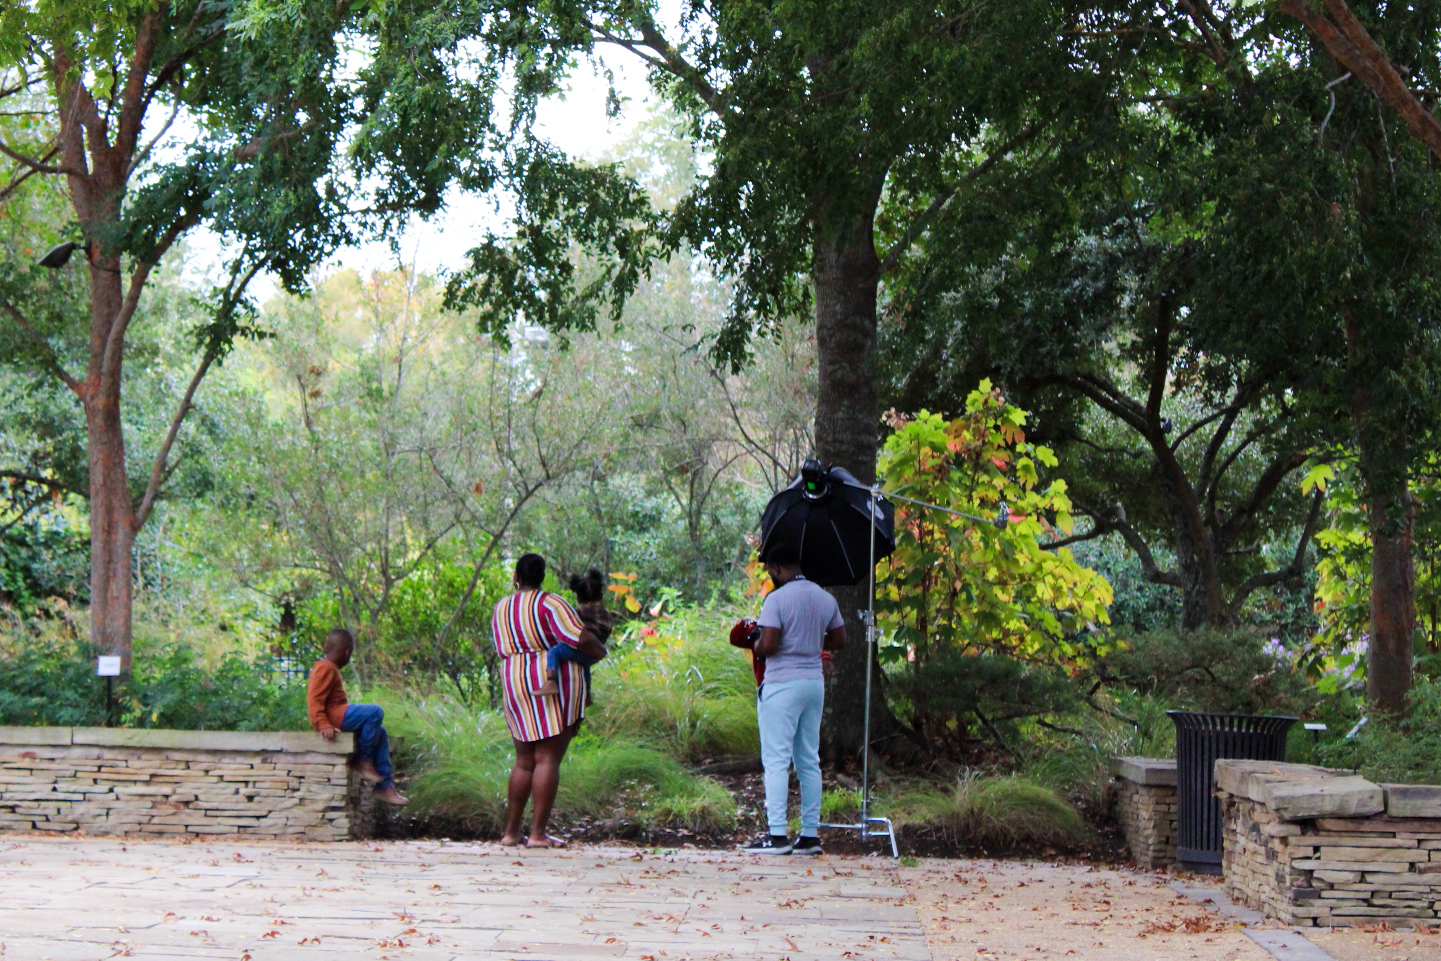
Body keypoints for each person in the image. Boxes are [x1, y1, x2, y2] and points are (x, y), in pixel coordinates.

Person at [492, 553, 607, 847]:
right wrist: (600, 650)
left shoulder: (501, 608)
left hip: (515, 680)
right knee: (547, 759)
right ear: (542, 577)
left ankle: (510, 833)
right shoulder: (550, 603)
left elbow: (501, 645)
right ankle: (538, 834)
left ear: (516, 576)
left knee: (523, 761)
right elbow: (578, 637)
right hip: (550, 681)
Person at [740, 544, 844, 855]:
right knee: (808, 759)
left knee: (776, 760)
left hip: (782, 685)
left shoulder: (777, 599)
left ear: (775, 567)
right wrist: (811, 640)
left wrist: (754, 640)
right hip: (813, 683)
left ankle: (777, 836)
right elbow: (839, 639)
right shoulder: (825, 598)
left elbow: (769, 646)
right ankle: (810, 835)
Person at [307, 628, 409, 805]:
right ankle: (363, 760)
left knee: (381, 733)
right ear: (347, 652)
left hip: (338, 713)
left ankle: (385, 786)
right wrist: (322, 723)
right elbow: (314, 699)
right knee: (375, 712)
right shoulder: (325, 667)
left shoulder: (329, 668)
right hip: (334, 716)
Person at [533, 568, 611, 702]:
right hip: (597, 652)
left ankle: (551, 681)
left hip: (584, 648)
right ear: (601, 595)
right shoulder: (606, 613)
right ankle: (587, 693)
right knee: (584, 664)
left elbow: (570, 629)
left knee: (554, 652)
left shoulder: (578, 612)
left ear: (578, 596)